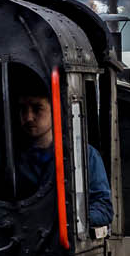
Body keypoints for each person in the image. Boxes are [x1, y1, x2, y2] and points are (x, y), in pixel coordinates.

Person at [16, 90, 114, 234]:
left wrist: (70, 220)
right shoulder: (12, 158)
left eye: (37, 108)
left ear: (55, 110)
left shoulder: (85, 155)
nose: (29, 117)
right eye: (23, 109)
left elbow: (103, 208)